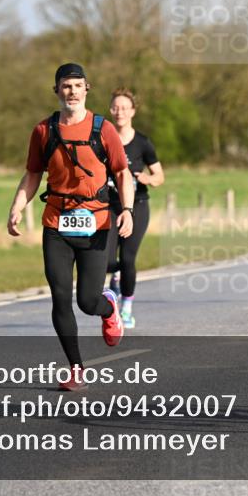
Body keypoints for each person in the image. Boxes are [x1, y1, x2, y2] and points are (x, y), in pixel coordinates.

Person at [8, 63, 133, 391]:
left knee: (87, 302)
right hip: (57, 222)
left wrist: (128, 210)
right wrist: (17, 206)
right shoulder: (43, 131)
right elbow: (33, 173)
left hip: (97, 223)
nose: (72, 92)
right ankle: (76, 368)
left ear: (86, 89)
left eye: (78, 86)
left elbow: (122, 173)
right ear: (57, 91)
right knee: (60, 297)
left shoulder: (103, 130)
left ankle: (108, 307)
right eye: (66, 86)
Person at [103, 88, 164, 328]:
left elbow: (159, 175)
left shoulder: (142, 143)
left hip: (137, 205)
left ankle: (126, 306)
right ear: (110, 110)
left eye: (125, 108)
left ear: (133, 112)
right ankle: (115, 279)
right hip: (108, 206)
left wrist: (148, 179)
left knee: (127, 259)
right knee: (107, 262)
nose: (120, 112)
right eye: (116, 107)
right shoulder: (103, 138)